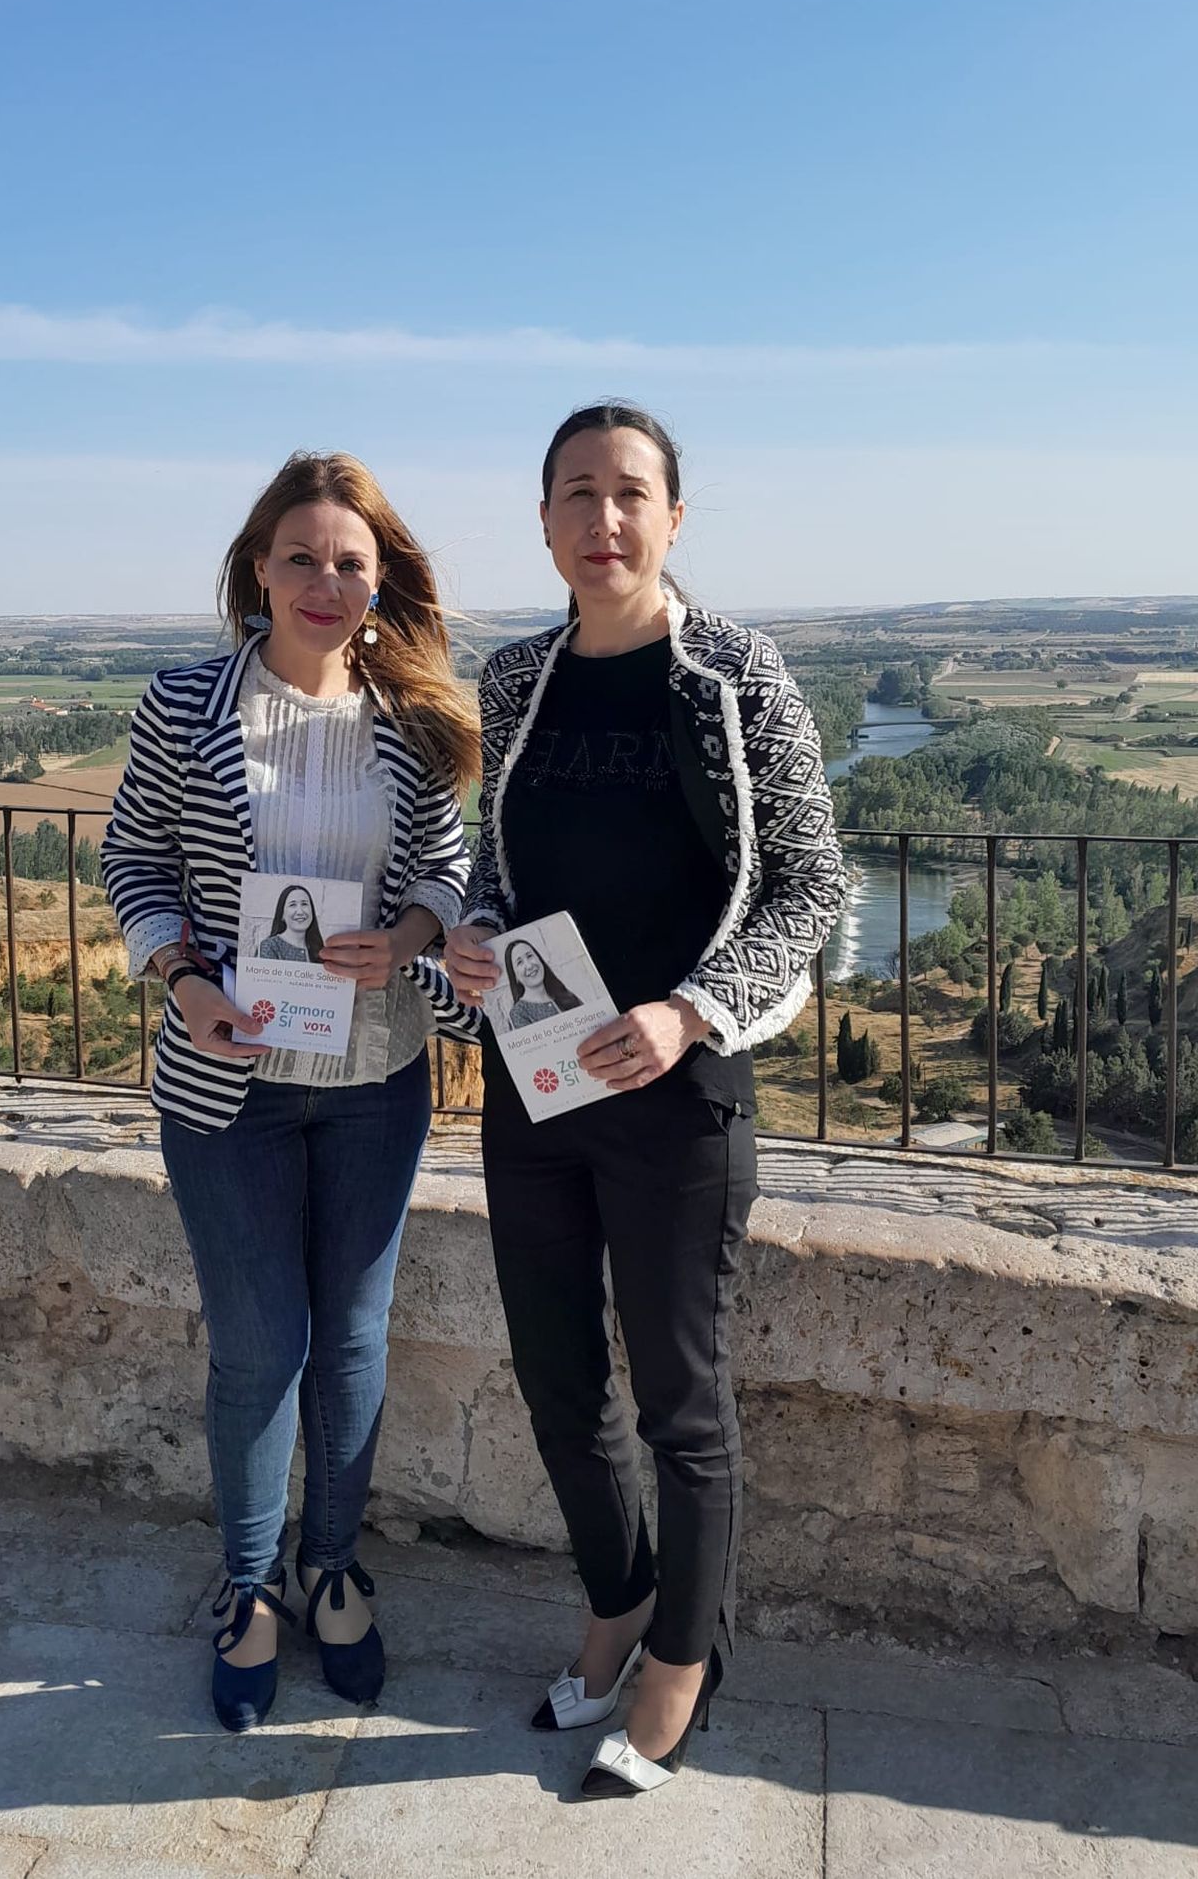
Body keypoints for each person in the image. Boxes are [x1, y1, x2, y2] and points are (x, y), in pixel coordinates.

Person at [444, 402, 844, 1798]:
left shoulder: (735, 674)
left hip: (679, 1100)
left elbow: (810, 887)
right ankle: (613, 1605)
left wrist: (691, 1012)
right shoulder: (514, 679)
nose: (602, 520)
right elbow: (498, 864)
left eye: (630, 494)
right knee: (560, 1379)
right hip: (536, 1085)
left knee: (680, 1401)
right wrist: (476, 932)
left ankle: (682, 1658)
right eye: (576, 494)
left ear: (675, 517)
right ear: (543, 521)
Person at [104, 451, 478, 1731]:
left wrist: (416, 934)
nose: (327, 582)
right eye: (302, 557)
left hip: (375, 1080)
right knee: (261, 1346)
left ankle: (334, 1567)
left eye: (352, 563)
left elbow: (446, 867)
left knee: (355, 1339)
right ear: (256, 568)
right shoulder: (183, 704)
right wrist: (180, 976)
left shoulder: (411, 720)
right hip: (227, 1086)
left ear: (382, 583)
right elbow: (134, 850)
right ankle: (252, 1585)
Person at [502, 937, 582, 1029]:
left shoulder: (564, 994)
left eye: (529, 956)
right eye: (519, 962)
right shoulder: (519, 1012)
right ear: (515, 975)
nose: (529, 966)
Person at [257, 883, 324, 961]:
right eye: (292, 905)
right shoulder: (270, 946)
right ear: (282, 914)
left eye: (304, 904)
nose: (300, 912)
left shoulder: (319, 948)